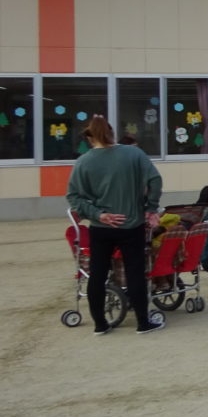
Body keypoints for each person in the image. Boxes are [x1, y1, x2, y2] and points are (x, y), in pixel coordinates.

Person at [66, 114, 165, 335]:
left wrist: (98, 214)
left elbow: (74, 197)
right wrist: (150, 208)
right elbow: (155, 179)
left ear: (90, 138)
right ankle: (142, 322)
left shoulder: (83, 162)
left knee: (98, 274)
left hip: (101, 228)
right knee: (135, 273)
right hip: (132, 225)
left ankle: (100, 324)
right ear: (111, 133)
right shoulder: (133, 153)